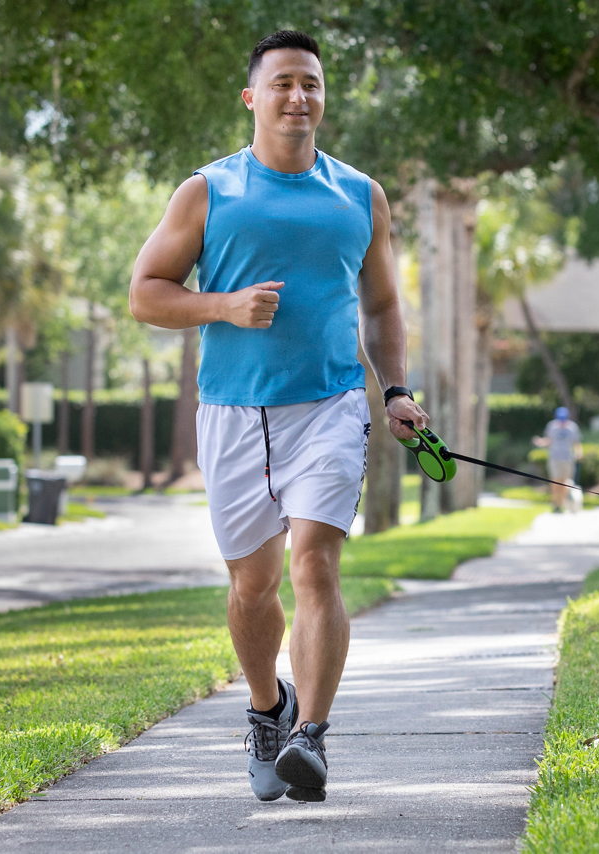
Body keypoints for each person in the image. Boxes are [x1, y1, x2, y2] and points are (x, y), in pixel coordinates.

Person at [128, 30, 428, 804]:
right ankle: (269, 710)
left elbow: (383, 305)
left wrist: (395, 389)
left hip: (329, 407)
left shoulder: (360, 195)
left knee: (315, 565)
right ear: (252, 97)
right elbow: (146, 293)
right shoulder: (208, 191)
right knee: (253, 586)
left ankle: (311, 737)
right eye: (284, 82)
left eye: (312, 84)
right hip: (232, 413)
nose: (299, 96)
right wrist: (223, 306)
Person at [533, 407, 583, 512]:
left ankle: (562, 503)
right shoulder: (552, 426)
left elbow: (576, 442)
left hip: (568, 459)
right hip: (554, 458)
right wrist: (540, 442)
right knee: (555, 481)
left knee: (565, 482)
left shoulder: (572, 427)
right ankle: (555, 504)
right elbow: (549, 440)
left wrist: (578, 452)